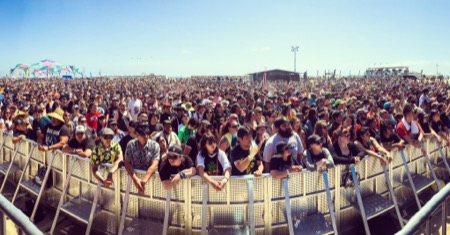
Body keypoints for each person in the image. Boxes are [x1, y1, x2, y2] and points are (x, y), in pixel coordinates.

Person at [124, 122, 160, 195]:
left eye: (147, 134)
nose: (146, 136)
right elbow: (127, 163)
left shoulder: (155, 145)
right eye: (143, 134)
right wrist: (135, 179)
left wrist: (143, 181)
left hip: (150, 180)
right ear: (137, 135)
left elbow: (155, 165)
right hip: (133, 178)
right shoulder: (131, 145)